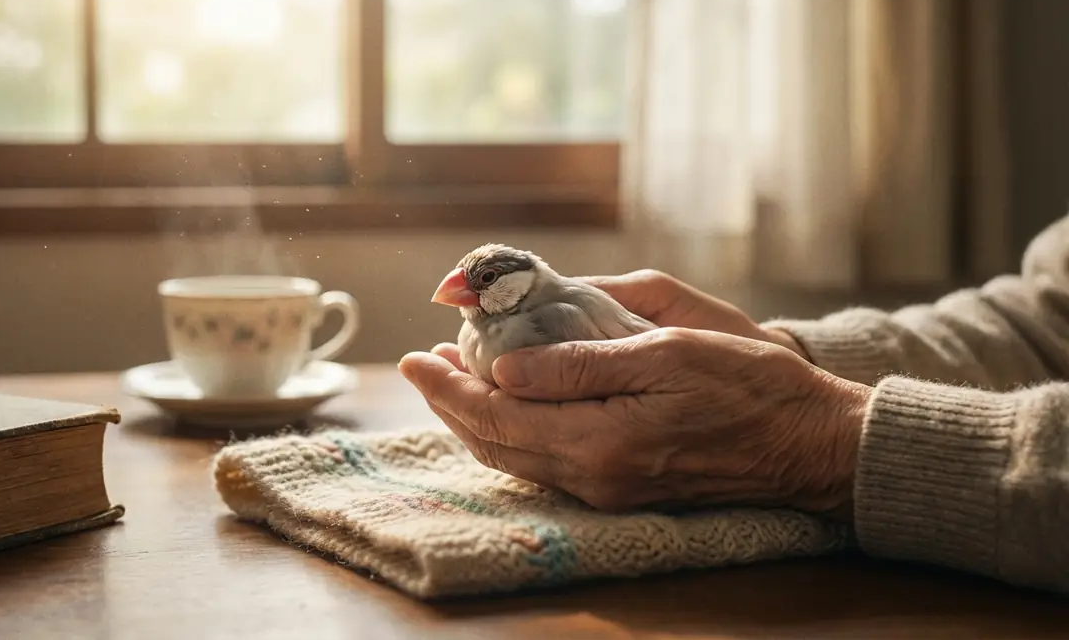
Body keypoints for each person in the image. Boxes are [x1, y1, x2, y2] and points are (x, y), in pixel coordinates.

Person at [398, 214, 1069, 595]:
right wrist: (784, 358)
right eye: (469, 282)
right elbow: (1047, 317)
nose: (463, 291)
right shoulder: (501, 324)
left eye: (485, 281)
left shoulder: (550, 319)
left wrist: (828, 440)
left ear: (520, 284)